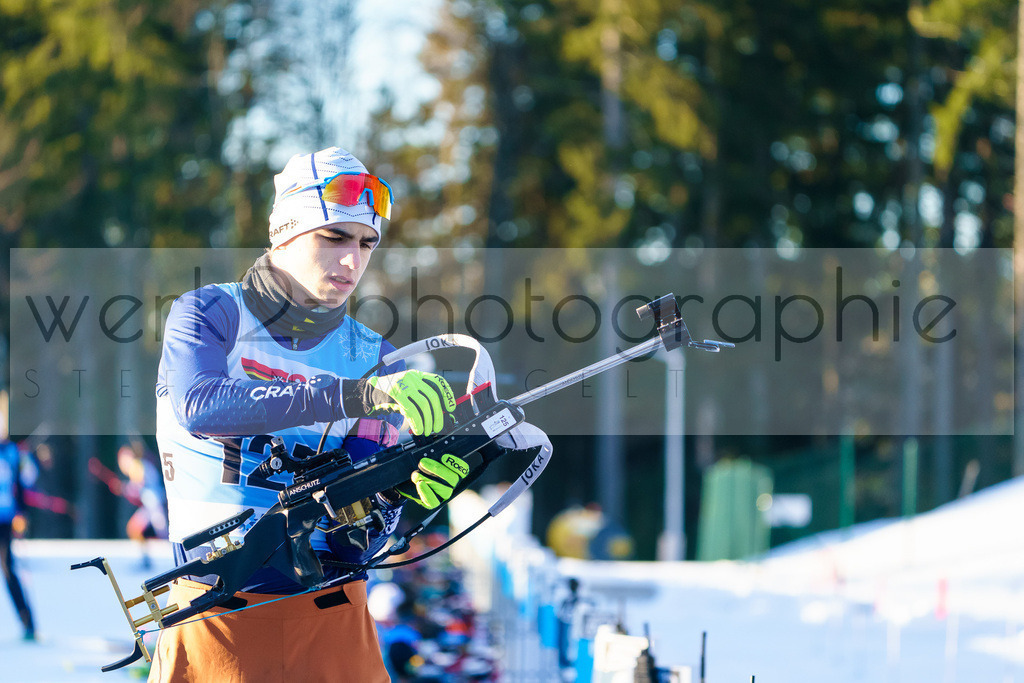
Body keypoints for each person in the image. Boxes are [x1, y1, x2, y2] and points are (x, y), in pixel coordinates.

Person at [150, 146, 471, 682]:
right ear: (285, 231)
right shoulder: (212, 312)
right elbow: (199, 405)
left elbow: (357, 536)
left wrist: (403, 493)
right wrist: (350, 397)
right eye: (335, 237)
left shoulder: (374, 356)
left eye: (367, 242)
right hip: (217, 616)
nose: (354, 261)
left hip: (334, 615)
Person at [0, 434, 37, 641]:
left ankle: (28, 623)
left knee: (8, 571)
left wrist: (21, 513)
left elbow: (20, 484)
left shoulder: (11, 451)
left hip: (5, 519)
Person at [115, 442, 168, 569]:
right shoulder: (141, 464)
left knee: (164, 534)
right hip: (152, 503)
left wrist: (124, 488)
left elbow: (138, 485)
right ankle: (146, 560)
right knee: (138, 529)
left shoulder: (136, 465)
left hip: (154, 504)